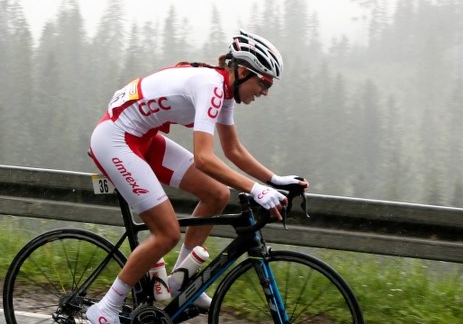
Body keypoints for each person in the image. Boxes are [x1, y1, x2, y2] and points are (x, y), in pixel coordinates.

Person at [86, 31, 309, 323]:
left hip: (144, 138)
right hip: (115, 139)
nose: (265, 91)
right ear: (243, 72)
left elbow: (233, 150)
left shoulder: (224, 92)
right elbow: (204, 158)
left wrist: (274, 180)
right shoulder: (211, 86)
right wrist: (256, 190)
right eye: (264, 82)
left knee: (217, 194)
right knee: (167, 233)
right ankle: (106, 309)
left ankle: (182, 281)